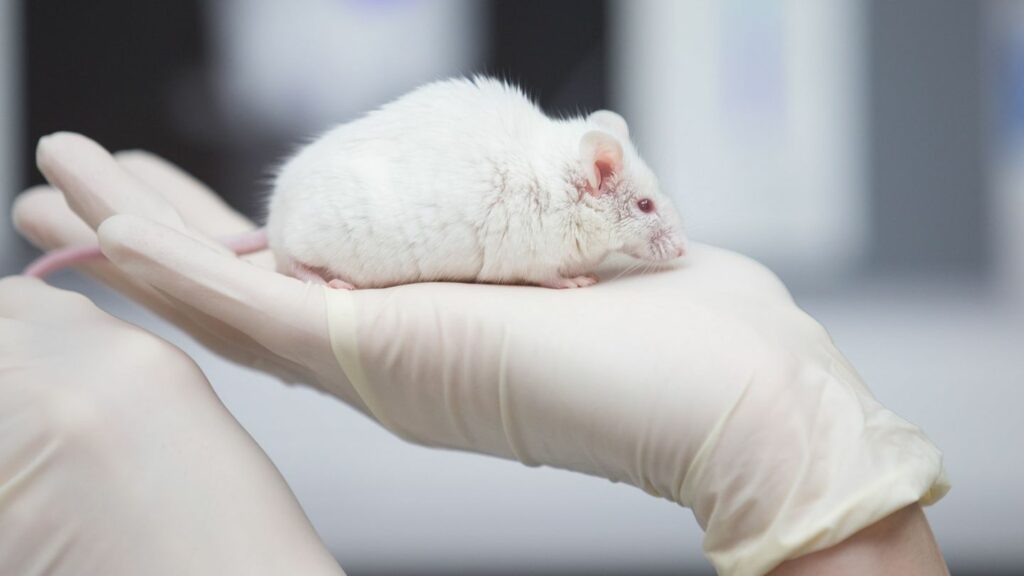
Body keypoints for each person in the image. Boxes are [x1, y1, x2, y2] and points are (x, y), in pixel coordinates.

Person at [6, 132, 951, 575]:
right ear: (601, 179)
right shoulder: (556, 193)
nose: (668, 235)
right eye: (649, 213)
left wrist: (783, 439)